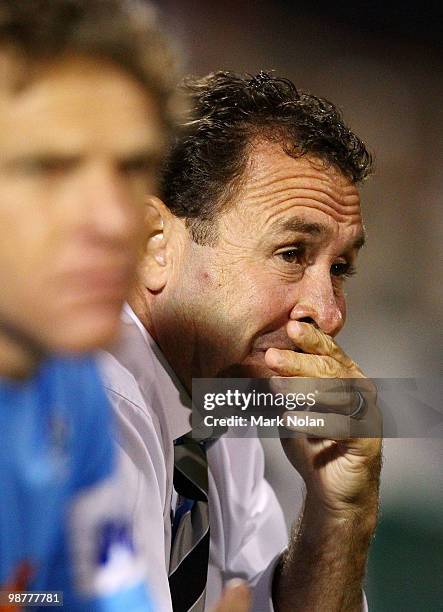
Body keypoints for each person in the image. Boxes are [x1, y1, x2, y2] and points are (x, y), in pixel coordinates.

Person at [100, 71, 382, 611]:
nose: (328, 313)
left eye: (340, 267)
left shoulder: (221, 422)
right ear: (154, 245)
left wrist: (341, 515)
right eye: (292, 253)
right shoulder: (90, 400)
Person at [0, 0, 176, 608]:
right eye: (48, 167)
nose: (113, 218)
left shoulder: (74, 386)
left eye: (131, 167)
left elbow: (109, 590)